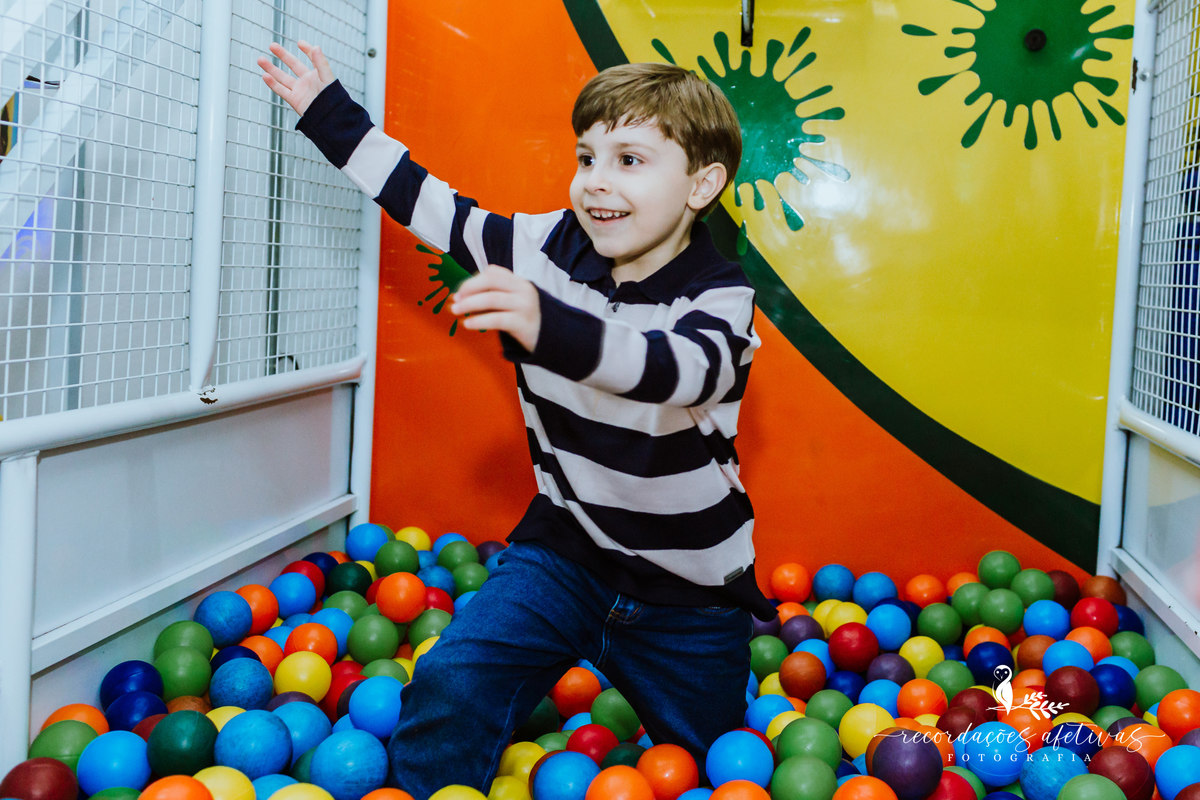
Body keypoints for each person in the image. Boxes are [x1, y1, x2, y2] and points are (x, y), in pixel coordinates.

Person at [258, 40, 774, 798]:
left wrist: (549, 323)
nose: (595, 181)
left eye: (629, 160)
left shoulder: (720, 298)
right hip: (567, 553)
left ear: (703, 184)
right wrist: (329, 116)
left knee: (715, 762)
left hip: (688, 593)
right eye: (586, 156)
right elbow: (427, 201)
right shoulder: (541, 247)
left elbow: (672, 371)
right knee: (451, 683)